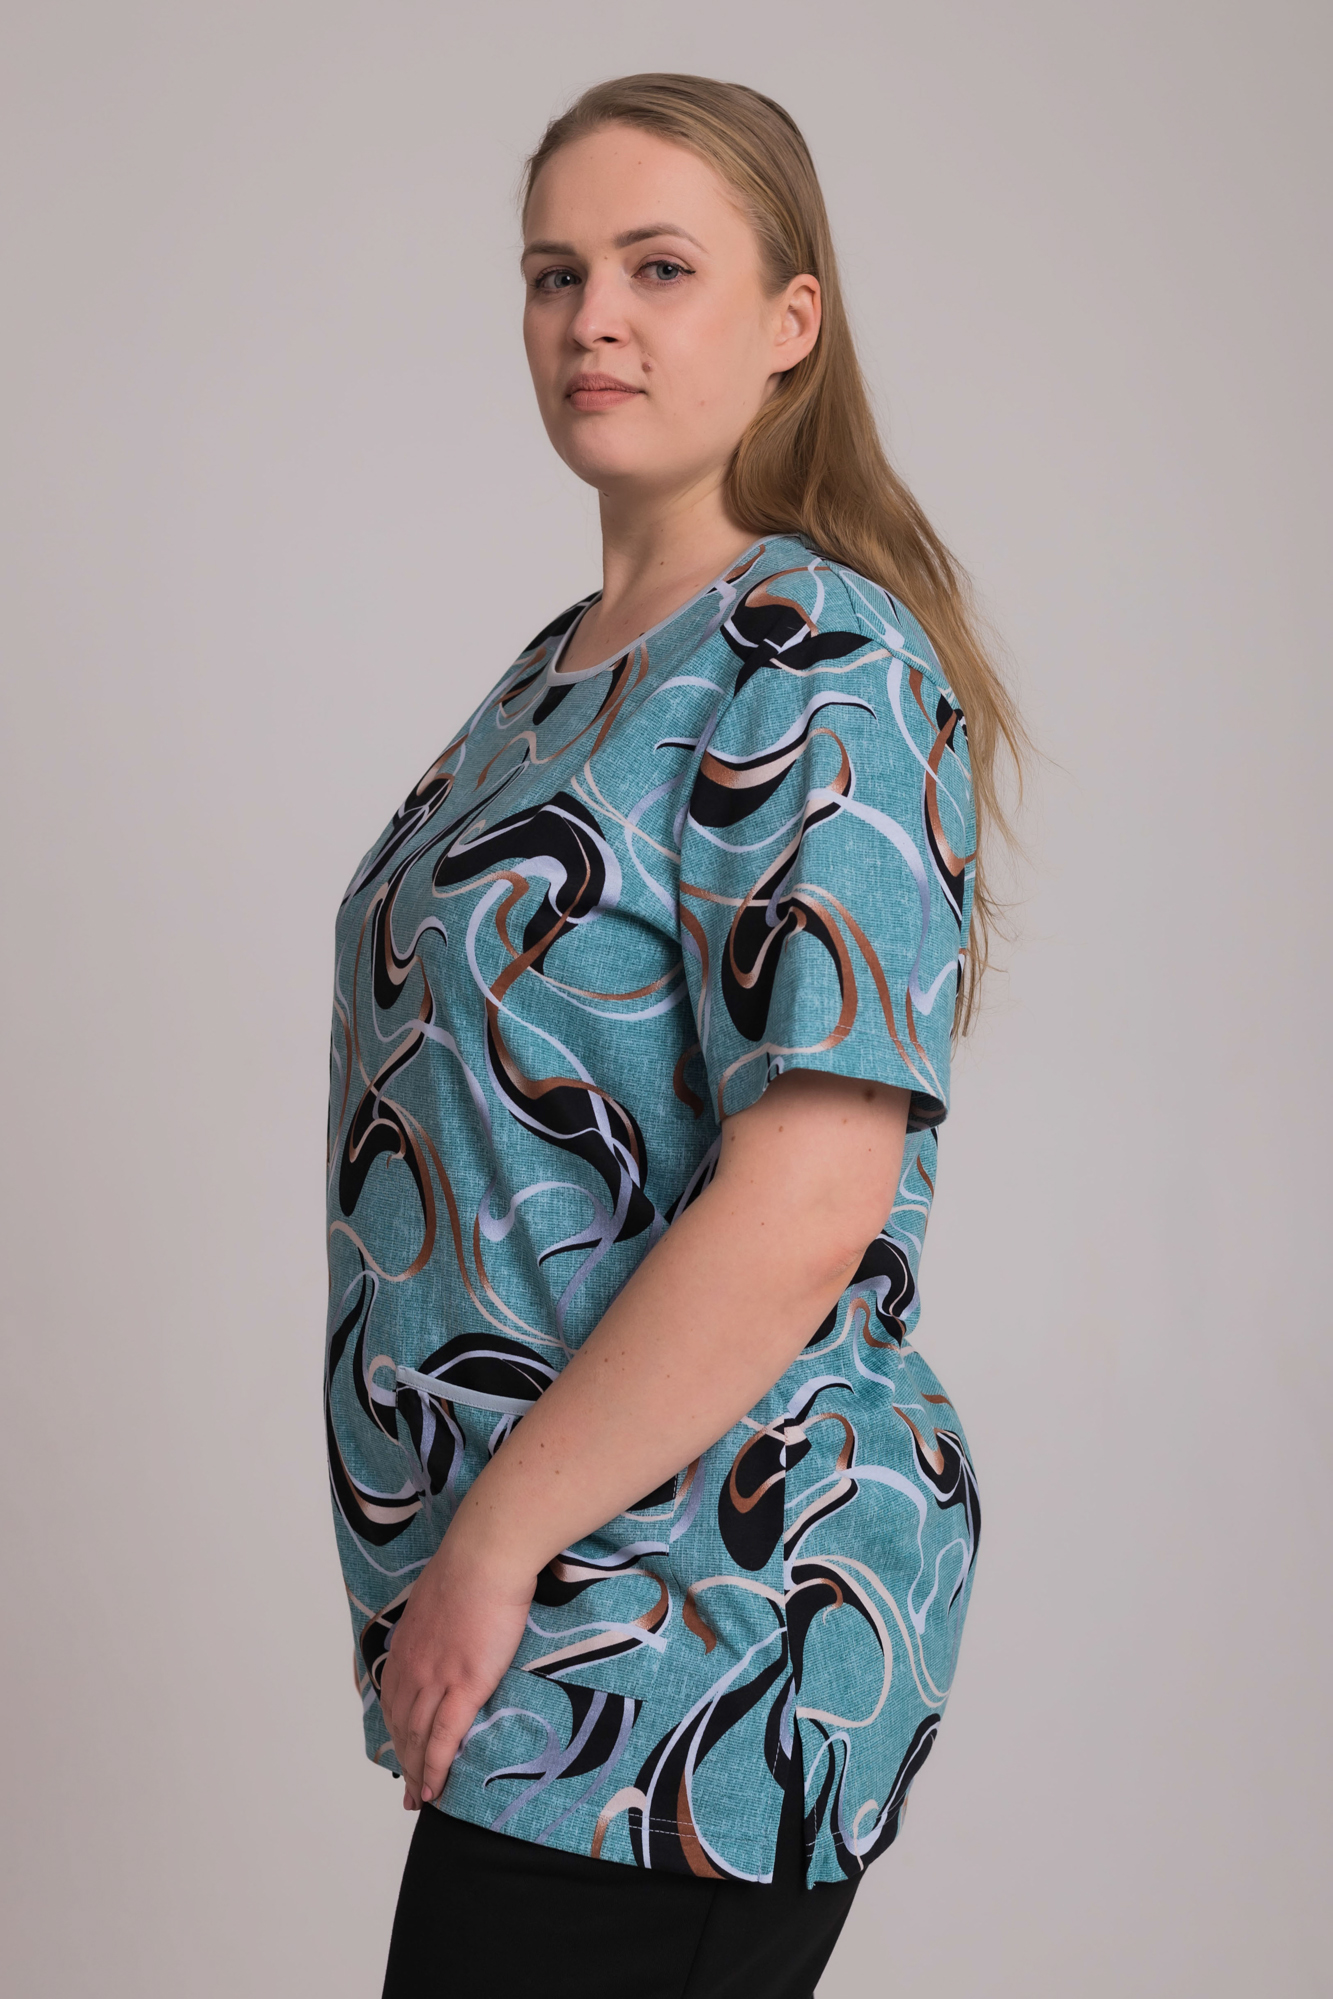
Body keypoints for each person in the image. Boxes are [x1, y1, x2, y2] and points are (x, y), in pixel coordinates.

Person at [324, 72, 1022, 1999]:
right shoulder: (552, 674)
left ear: (790, 322)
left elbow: (807, 1198)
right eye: (555, 273)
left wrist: (491, 1549)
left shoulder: (820, 658)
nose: (591, 320)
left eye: (657, 268)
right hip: (569, 1615)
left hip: (705, 1619)